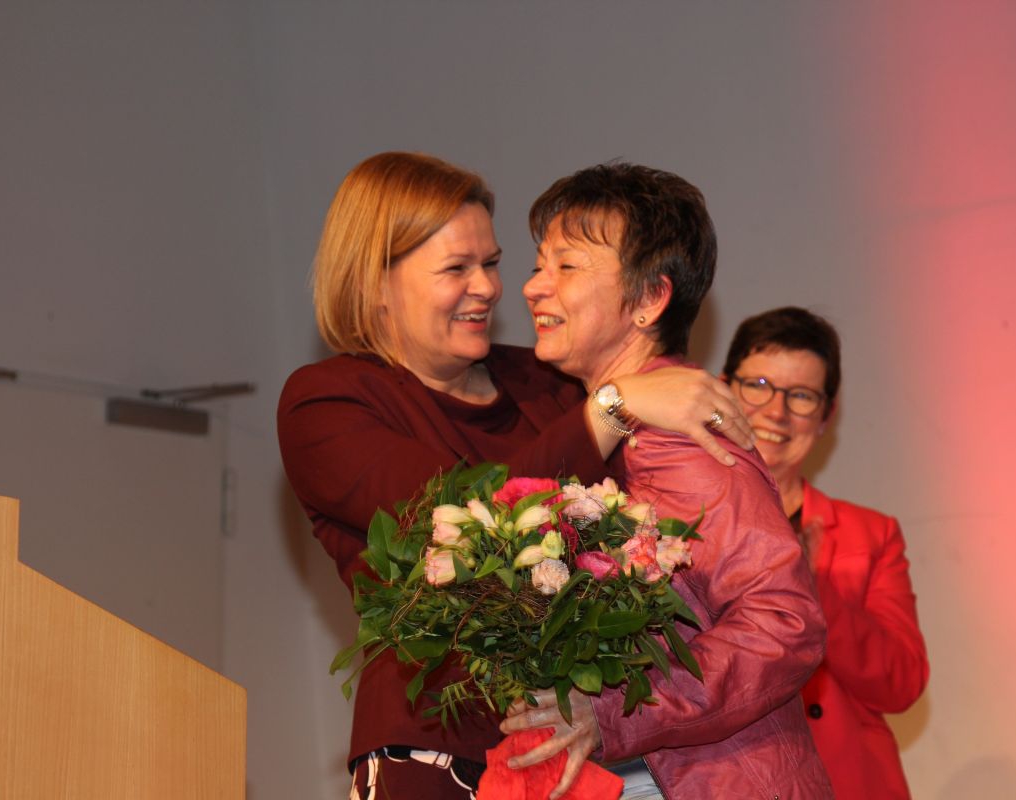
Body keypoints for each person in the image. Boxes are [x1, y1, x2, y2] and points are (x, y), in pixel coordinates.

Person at [277, 151, 755, 799]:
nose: (489, 288)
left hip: (581, 750)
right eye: (457, 268)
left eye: (493, 263)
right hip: (437, 751)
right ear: (376, 282)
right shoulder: (326, 402)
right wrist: (611, 408)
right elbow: (469, 522)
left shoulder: (547, 381)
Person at [500, 163, 833, 799]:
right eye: (539, 265)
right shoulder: (619, 426)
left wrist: (614, 712)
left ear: (650, 299)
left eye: (566, 266)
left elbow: (783, 620)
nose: (533, 287)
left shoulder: (676, 436)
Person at [721, 306, 929, 800]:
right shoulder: (677, 521)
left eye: (801, 396)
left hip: (845, 782)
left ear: (825, 416)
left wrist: (817, 591)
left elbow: (902, 684)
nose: (776, 412)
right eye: (759, 385)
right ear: (724, 391)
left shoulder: (871, 534)